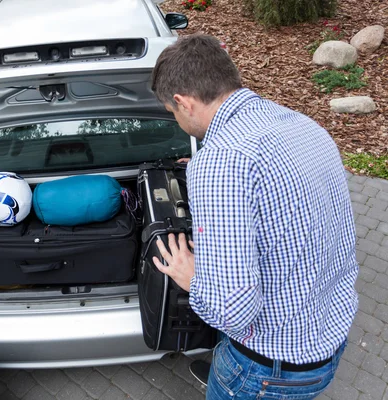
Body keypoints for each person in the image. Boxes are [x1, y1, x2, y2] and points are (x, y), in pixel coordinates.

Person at [150, 34, 358, 399]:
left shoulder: (222, 162)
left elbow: (233, 311)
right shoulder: (302, 124)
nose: (177, 120)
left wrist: (191, 276)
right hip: (326, 339)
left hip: (264, 371)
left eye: (172, 113)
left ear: (183, 103)